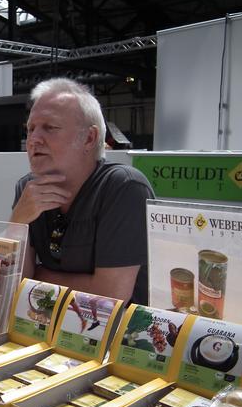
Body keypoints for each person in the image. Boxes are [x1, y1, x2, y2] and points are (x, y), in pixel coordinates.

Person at [11, 78, 154, 305]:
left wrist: (38, 276)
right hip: (47, 322)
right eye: (30, 129)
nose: (33, 140)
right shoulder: (28, 189)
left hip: (117, 326)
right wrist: (16, 222)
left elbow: (110, 295)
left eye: (50, 127)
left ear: (89, 138)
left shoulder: (123, 187)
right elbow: (13, 281)